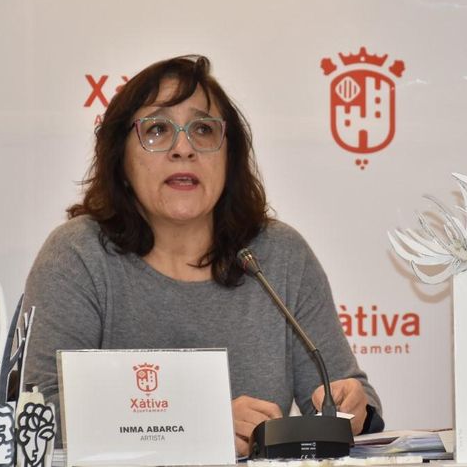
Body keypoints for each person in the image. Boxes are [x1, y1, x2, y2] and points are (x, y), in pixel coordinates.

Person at [22, 55, 383, 456]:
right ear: (119, 158)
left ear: (229, 156)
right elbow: (39, 417)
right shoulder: (79, 256)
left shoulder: (278, 255)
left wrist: (352, 404)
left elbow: (354, 399)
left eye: (203, 130)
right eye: (158, 129)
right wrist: (197, 424)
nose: (183, 149)